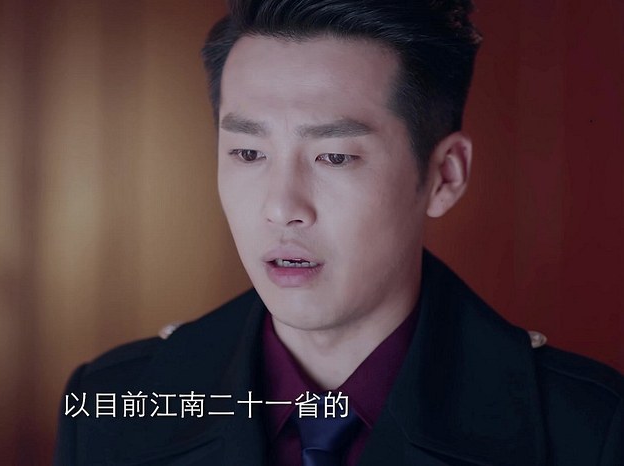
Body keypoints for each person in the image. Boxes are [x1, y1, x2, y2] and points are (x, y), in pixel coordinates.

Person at [53, 1, 624, 464]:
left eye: (334, 157)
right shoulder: (113, 403)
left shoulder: (588, 428)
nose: (282, 208)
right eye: (248, 153)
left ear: (444, 176)